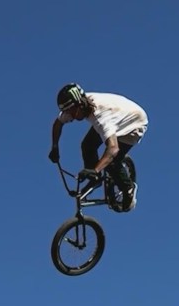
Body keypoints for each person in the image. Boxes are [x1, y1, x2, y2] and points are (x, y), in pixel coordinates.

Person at [48, 83, 148, 212]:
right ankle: (95, 179)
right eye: (68, 113)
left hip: (135, 123)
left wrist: (95, 169)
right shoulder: (77, 106)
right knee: (87, 145)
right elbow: (58, 123)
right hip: (119, 114)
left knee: (111, 163)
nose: (71, 117)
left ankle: (128, 188)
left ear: (80, 105)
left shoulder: (101, 118)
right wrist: (55, 146)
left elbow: (113, 149)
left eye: (72, 112)